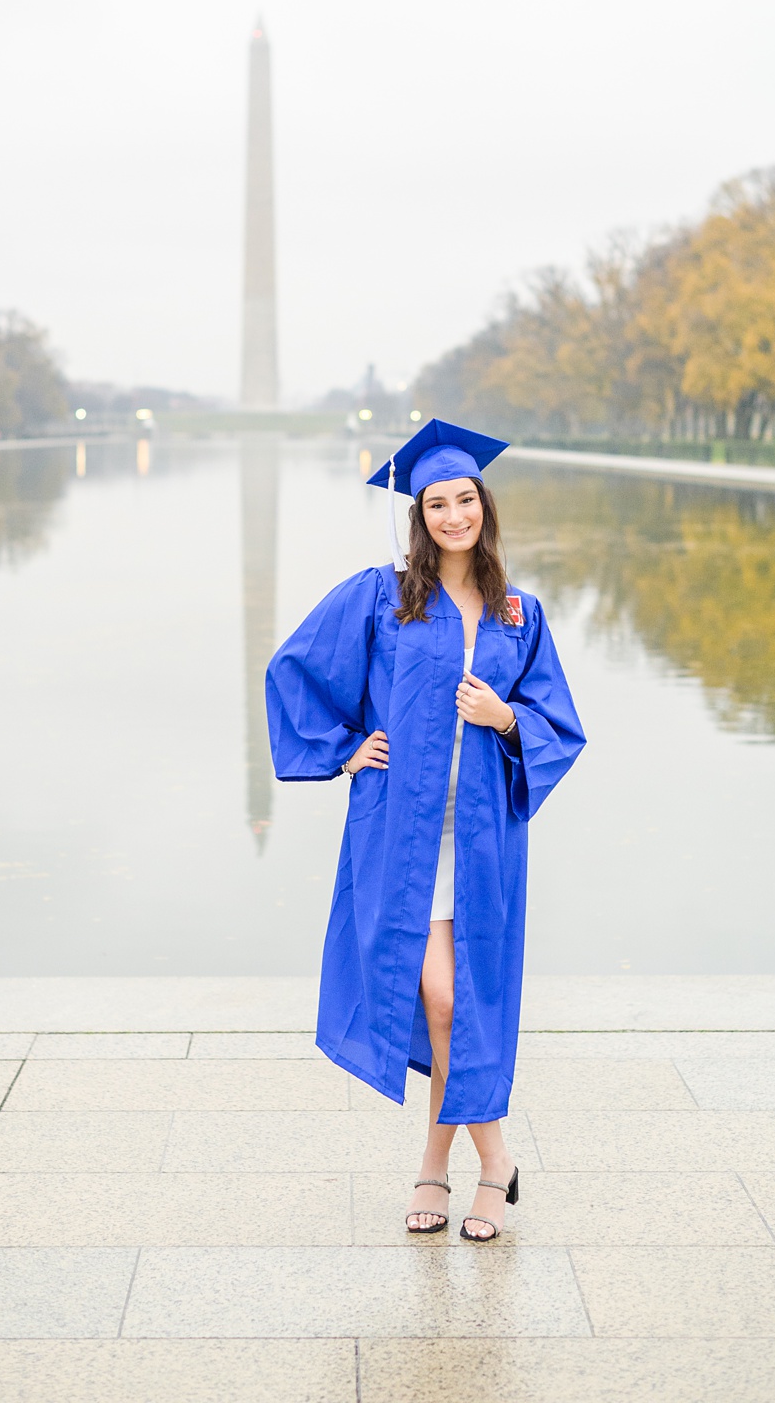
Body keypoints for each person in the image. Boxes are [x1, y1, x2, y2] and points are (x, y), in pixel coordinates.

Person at [267, 419, 586, 1243]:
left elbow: (559, 725)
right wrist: (343, 751)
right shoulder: (381, 596)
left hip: (480, 843)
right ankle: (497, 1160)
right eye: (437, 503)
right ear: (420, 514)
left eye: (466, 500)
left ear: (485, 507)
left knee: (459, 1002)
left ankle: (444, 1169)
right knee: (440, 996)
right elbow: (295, 671)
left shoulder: (521, 612)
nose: (453, 516)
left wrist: (504, 715)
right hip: (403, 837)